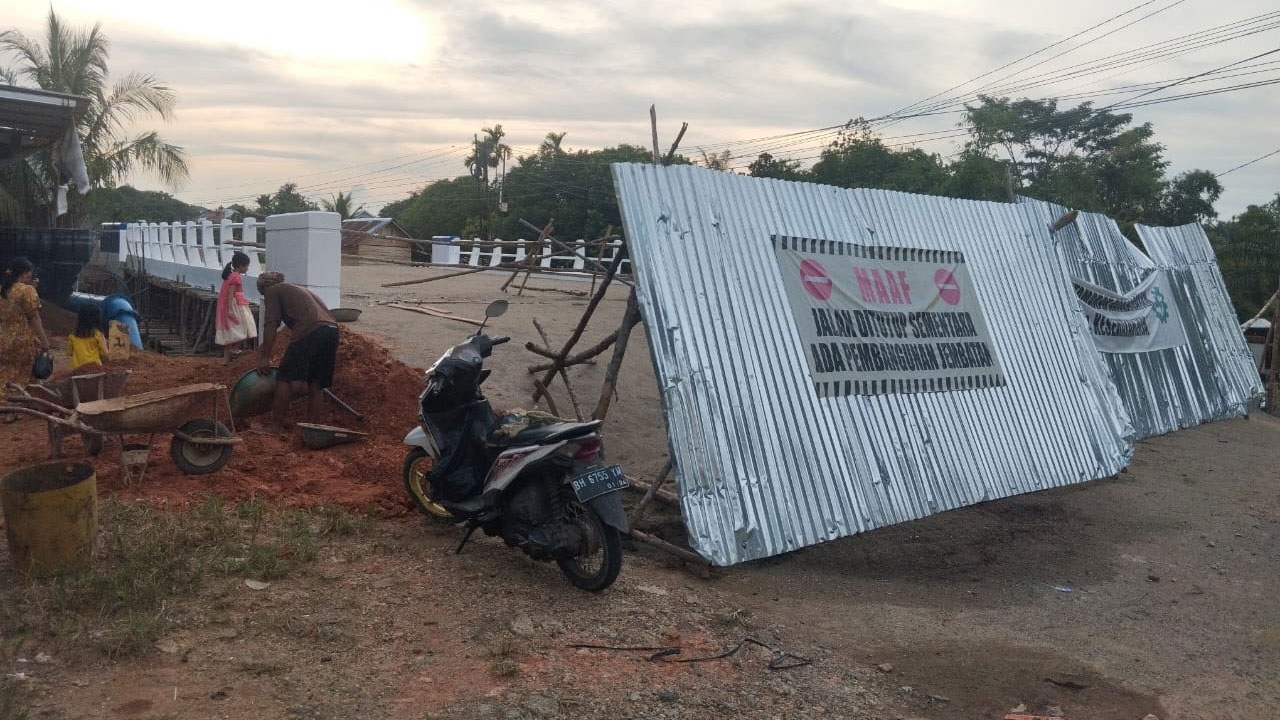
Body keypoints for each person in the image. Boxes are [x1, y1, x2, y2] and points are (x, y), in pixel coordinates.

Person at [255, 271, 339, 433]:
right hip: (331, 330)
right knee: (316, 383)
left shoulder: (272, 290)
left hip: (310, 330)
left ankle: (276, 426)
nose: (265, 297)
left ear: (265, 287)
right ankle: (313, 428)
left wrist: (265, 357)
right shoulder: (301, 290)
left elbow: (271, 324)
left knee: (285, 378)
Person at [0, 257, 51, 421]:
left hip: (3, 338)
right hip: (22, 339)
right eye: (29, 273)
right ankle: (12, 411)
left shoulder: (3, 290)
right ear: (24, 273)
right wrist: (44, 341)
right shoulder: (27, 291)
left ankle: (5, 407)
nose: (31, 276)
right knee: (22, 374)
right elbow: (34, 317)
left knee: (6, 374)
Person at [215, 251, 258, 363]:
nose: (247, 268)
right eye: (246, 266)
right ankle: (235, 349)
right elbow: (231, 293)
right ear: (240, 265)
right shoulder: (236, 277)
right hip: (234, 304)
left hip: (227, 304)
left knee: (229, 333)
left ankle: (225, 360)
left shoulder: (230, 275)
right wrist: (230, 309)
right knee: (245, 327)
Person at [67, 304, 109, 371]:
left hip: (76, 369)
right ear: (97, 318)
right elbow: (105, 354)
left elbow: (69, 352)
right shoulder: (98, 335)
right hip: (95, 368)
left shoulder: (72, 335)